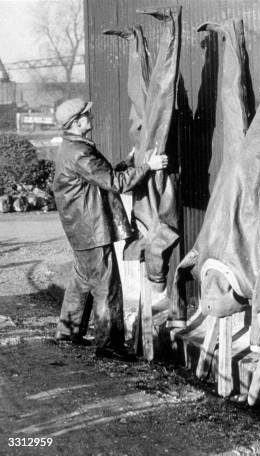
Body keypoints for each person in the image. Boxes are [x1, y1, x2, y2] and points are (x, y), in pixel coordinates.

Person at [52, 97, 168, 361]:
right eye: (87, 116)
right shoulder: (80, 152)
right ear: (77, 122)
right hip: (92, 229)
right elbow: (116, 183)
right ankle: (109, 346)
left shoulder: (72, 148)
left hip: (80, 228)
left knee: (83, 279)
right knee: (108, 286)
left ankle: (68, 332)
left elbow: (100, 178)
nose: (91, 118)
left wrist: (129, 162)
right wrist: (148, 167)